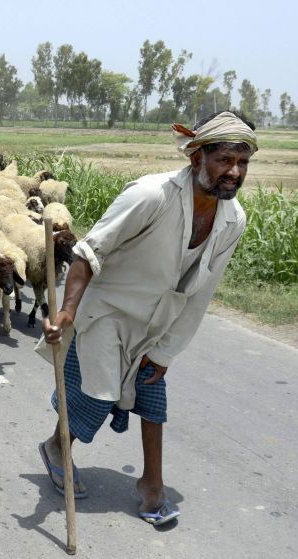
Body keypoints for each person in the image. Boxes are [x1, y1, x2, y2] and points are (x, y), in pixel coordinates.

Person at [39, 111, 256, 526]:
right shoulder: (151, 195)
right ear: (197, 158)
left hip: (157, 322)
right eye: (224, 160)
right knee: (95, 397)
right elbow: (89, 253)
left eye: (242, 163)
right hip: (108, 312)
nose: (234, 172)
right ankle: (56, 448)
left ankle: (152, 487)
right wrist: (66, 312)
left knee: (152, 395)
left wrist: (166, 351)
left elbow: (201, 293)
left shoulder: (233, 220)